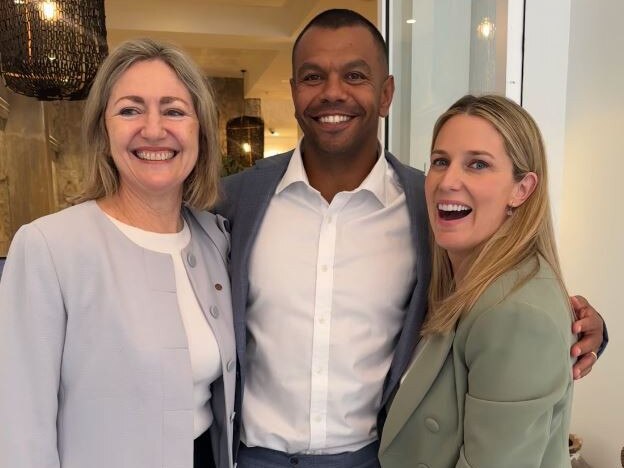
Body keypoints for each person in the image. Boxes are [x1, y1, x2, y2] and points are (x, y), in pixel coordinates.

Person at [215, 9, 606, 468]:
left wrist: (584, 331)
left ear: (386, 94)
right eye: (312, 77)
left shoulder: (434, 208)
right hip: (253, 457)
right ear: (295, 92)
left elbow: (512, 297)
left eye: (355, 75)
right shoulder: (236, 200)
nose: (333, 92)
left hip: (376, 458)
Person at [0, 38, 236, 468]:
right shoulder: (50, 248)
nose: (153, 129)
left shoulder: (213, 239)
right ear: (103, 131)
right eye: (130, 109)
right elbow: (20, 427)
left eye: (174, 110)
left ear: (200, 130)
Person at [379, 94, 578, 467]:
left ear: (522, 189)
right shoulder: (460, 282)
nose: (447, 181)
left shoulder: (516, 313)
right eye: (440, 161)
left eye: (477, 165)